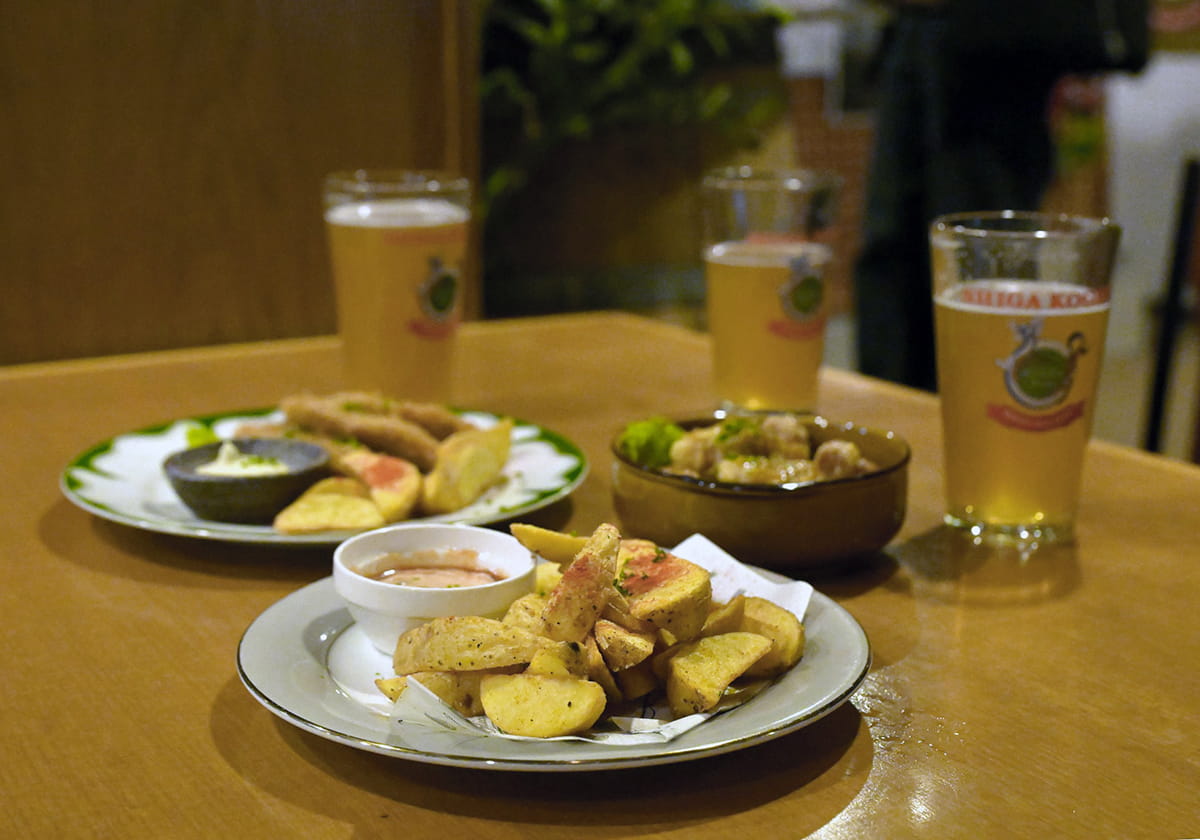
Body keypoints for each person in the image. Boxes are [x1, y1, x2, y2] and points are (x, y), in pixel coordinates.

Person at [853, 1, 1066, 391]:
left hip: (994, 49)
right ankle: (892, 414)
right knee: (892, 252)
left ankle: (987, 409)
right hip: (914, 30)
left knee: (984, 260)